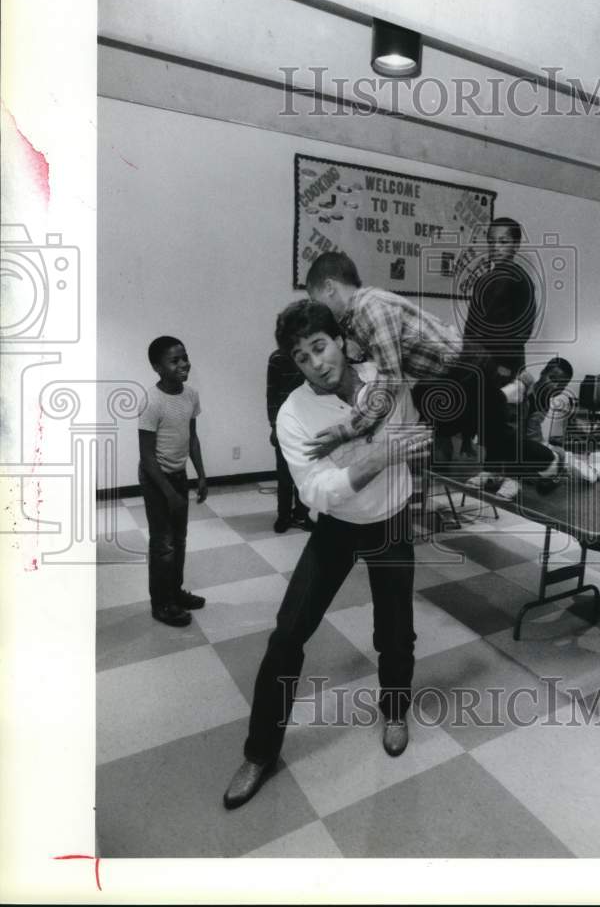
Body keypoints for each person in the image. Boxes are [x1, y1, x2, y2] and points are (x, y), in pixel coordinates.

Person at [223, 301, 431, 811]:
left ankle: (395, 711)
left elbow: (414, 424)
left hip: (391, 520)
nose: (315, 363)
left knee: (395, 630)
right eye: (302, 357)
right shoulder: (293, 415)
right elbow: (316, 491)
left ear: (340, 340)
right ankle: (260, 752)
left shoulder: (384, 377)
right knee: (287, 635)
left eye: (320, 347)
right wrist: (379, 457)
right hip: (337, 527)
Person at [303, 251, 523, 466]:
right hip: (446, 372)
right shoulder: (354, 317)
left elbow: (390, 378)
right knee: (426, 404)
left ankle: (506, 393)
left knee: (495, 437)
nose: (317, 307)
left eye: (315, 299)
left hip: (466, 365)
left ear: (330, 287)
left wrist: (349, 429)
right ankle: (498, 397)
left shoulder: (371, 308)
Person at [138, 336, 208, 628]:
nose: (183, 364)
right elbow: (147, 456)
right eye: (174, 360)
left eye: (185, 357)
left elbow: (192, 439)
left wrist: (201, 475)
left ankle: (175, 592)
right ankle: (162, 604)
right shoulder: (152, 402)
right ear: (157, 367)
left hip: (179, 476)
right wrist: (168, 493)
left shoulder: (190, 396)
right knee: (163, 544)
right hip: (156, 479)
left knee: (179, 540)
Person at [462, 216, 537, 385]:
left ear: (516, 245)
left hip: (504, 365)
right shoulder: (482, 280)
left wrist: (503, 364)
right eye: (491, 242)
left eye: (503, 242)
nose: (496, 247)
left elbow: (522, 329)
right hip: (477, 361)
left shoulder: (521, 280)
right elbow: (471, 326)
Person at [266, 348, 313, 533]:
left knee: (305, 473)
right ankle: (283, 516)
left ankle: (302, 514)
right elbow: (271, 394)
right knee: (284, 475)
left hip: (308, 423)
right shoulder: (277, 357)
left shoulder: (310, 355)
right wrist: (274, 426)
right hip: (284, 424)